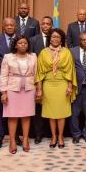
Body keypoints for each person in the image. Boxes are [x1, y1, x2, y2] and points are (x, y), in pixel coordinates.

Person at [36, 28, 77, 149]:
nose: (55, 39)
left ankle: (60, 136)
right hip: (48, 85)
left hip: (62, 84)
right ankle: (53, 136)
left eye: (58, 37)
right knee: (51, 113)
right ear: (50, 38)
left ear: (61, 39)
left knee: (61, 113)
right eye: (53, 37)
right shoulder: (43, 52)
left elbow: (71, 70)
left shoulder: (66, 52)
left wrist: (70, 86)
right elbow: (39, 72)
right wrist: (39, 89)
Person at [0, 35, 37, 154]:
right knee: (13, 116)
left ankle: (25, 140)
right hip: (12, 89)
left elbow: (36, 74)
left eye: (25, 43)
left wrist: (38, 89)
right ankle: (12, 141)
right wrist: (3, 92)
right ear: (15, 45)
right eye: (20, 43)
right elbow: (3, 75)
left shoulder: (33, 56)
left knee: (26, 115)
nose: (23, 45)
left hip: (29, 89)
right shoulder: (8, 57)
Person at [0, 17, 21, 150]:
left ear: (16, 27)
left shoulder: (21, 40)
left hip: (16, 81)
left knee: (16, 109)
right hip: (0, 79)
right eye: (7, 25)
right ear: (3, 27)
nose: (9, 27)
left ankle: (16, 136)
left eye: (12, 25)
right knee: (0, 108)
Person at [69, 32, 86, 144]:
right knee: (74, 114)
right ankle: (76, 135)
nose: (85, 41)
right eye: (82, 40)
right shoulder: (72, 51)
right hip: (76, 87)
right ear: (79, 40)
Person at [30, 16, 53, 144]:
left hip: (53, 79)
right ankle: (38, 134)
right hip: (38, 78)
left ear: (51, 25)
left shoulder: (56, 39)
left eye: (48, 24)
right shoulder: (33, 40)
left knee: (51, 105)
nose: (45, 26)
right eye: (43, 24)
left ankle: (51, 132)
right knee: (38, 107)